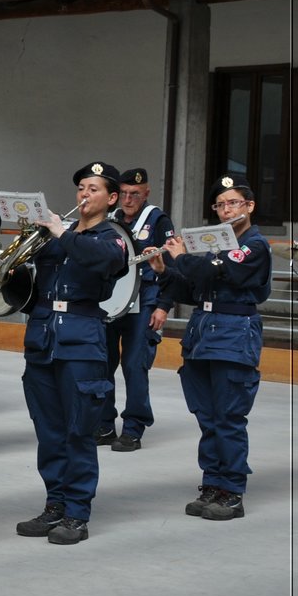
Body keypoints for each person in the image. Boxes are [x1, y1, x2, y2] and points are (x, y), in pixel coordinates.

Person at [12, 161, 130, 544]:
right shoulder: (56, 236)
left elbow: (106, 263)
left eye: (93, 189)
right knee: (49, 432)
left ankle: (77, 511)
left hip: (82, 340)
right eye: (81, 187)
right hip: (43, 339)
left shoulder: (112, 237)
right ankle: (55, 504)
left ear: (111, 198)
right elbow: (27, 287)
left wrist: (61, 233)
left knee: (78, 430)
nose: (84, 194)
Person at [149, 174, 270, 520]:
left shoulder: (254, 245)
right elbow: (193, 289)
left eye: (234, 202)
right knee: (207, 416)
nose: (226, 209)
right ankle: (213, 482)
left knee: (229, 416)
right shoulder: (215, 244)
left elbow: (224, 271)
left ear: (249, 206)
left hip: (234, 333)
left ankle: (232, 490)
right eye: (221, 204)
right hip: (202, 332)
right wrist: (163, 270)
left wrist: (182, 257)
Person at [98, 166, 175, 450]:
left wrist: (164, 306)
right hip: (111, 300)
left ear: (146, 193)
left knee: (134, 365)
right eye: (125, 194)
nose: (128, 200)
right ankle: (104, 425)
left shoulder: (157, 220)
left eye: (135, 194)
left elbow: (171, 264)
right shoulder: (111, 220)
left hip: (145, 300)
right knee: (103, 363)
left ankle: (133, 428)